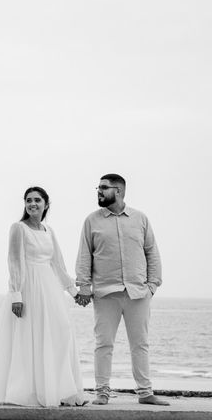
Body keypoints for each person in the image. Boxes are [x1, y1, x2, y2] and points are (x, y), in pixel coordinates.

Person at [0, 186, 85, 407]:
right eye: (28, 200)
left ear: (46, 204)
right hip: (28, 288)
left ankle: (58, 389)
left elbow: (58, 264)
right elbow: (14, 261)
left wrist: (74, 292)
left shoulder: (49, 231)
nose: (32, 204)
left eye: (37, 200)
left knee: (60, 332)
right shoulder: (18, 228)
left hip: (50, 289)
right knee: (30, 337)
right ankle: (30, 391)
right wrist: (16, 294)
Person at [75, 174, 169, 406]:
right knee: (103, 344)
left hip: (138, 293)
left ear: (118, 191)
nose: (99, 191)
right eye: (98, 187)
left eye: (104, 188)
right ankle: (102, 392)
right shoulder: (91, 221)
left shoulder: (140, 219)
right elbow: (84, 255)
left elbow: (151, 252)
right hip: (105, 294)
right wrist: (84, 286)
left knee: (140, 344)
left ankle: (145, 393)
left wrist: (153, 285)